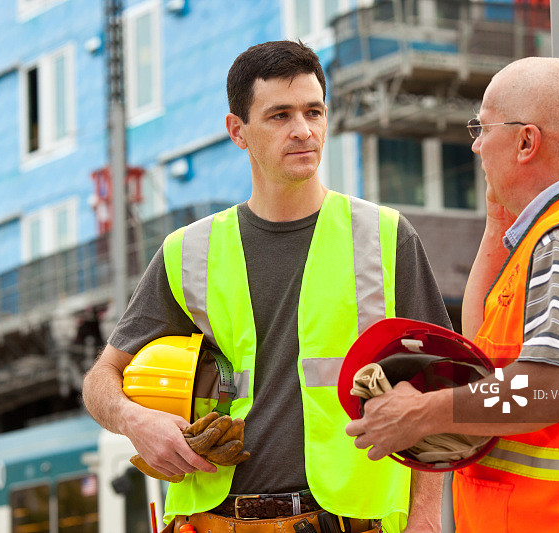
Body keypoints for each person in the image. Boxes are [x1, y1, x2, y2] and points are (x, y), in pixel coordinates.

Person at [82, 40, 452, 533]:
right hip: (214, 521)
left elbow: (438, 386)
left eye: (313, 111)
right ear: (238, 130)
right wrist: (136, 422)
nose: (303, 131)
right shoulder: (188, 252)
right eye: (280, 115)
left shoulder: (385, 237)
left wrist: (425, 521)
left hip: (349, 520)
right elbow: (100, 380)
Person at [345, 56, 559, 532]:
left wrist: (424, 412)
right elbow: (481, 352)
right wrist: (498, 224)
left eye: (482, 127)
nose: (477, 145)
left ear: (526, 142)